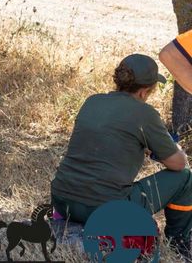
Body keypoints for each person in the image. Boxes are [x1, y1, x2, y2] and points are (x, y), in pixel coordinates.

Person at [51, 54, 192, 255]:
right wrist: (164, 150)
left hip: (62, 201)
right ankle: (179, 243)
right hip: (104, 209)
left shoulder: (92, 102)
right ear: (144, 92)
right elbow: (179, 164)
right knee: (185, 179)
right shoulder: (145, 114)